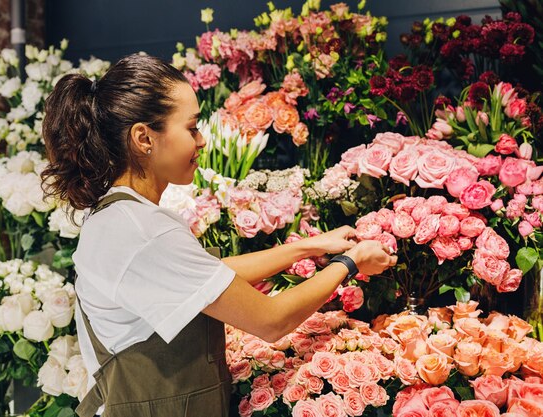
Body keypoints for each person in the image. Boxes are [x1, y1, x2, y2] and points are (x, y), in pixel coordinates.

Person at [40, 53, 397, 417]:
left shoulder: (120, 216)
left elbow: (210, 275)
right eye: (191, 128)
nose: (202, 141)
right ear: (144, 138)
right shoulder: (142, 231)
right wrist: (350, 263)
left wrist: (309, 246)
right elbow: (270, 321)